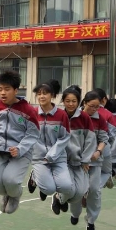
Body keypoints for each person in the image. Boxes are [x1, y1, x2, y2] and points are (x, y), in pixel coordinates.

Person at [0, 71, 39, 215]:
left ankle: (15, 194)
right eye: (0, 89)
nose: (2, 93)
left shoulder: (28, 110)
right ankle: (9, 193)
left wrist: (20, 148)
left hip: (21, 152)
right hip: (0, 151)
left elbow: (33, 133)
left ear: (16, 90)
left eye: (7, 89)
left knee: (11, 181)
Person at [27, 80, 73, 211]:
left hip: (58, 157)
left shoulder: (61, 115)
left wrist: (51, 155)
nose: (41, 96)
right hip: (39, 158)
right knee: (48, 189)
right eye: (39, 93)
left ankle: (56, 196)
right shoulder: (32, 114)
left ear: (52, 95)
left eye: (45, 93)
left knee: (65, 186)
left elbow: (65, 137)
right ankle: (35, 176)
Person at [60, 86, 95, 224]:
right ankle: (60, 199)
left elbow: (90, 140)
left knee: (80, 192)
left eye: (74, 101)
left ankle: (73, 212)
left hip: (79, 161)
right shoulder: (58, 116)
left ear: (79, 102)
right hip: (62, 161)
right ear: (63, 101)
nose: (70, 104)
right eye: (67, 101)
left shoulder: (84, 117)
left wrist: (86, 160)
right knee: (68, 188)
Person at [81, 91, 109, 230]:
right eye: (92, 106)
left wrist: (98, 152)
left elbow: (103, 139)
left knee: (95, 190)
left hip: (95, 161)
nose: (94, 109)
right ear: (84, 103)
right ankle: (59, 198)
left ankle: (91, 220)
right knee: (74, 188)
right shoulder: (75, 117)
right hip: (76, 161)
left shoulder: (100, 119)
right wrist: (82, 159)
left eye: (97, 107)